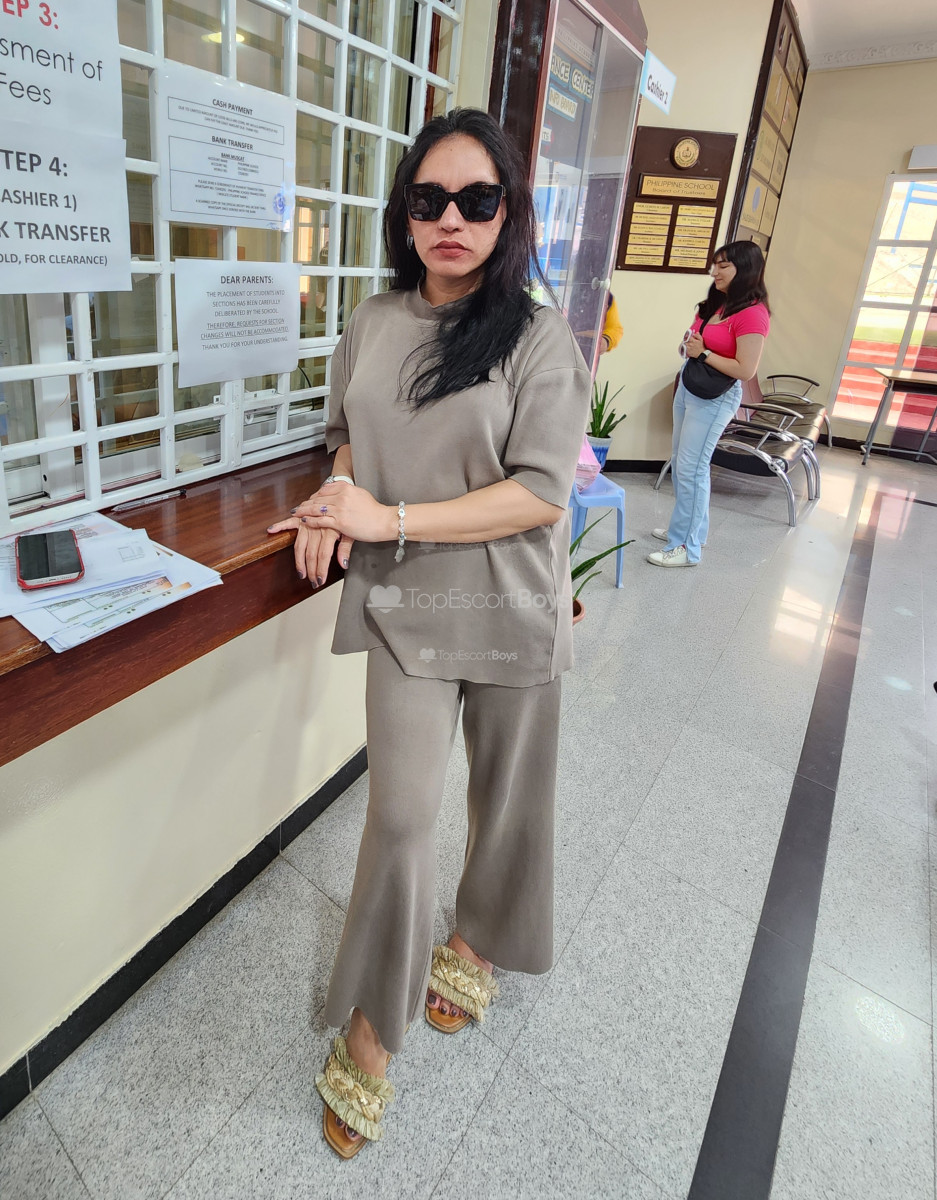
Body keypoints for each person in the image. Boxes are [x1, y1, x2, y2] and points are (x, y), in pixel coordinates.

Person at [267, 108, 590, 1159]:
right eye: (429, 199)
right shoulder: (372, 321)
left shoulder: (538, 338)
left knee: (507, 806)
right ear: (404, 214)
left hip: (507, 602)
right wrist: (338, 495)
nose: (451, 219)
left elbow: (540, 491)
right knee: (402, 817)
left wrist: (388, 520)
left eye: (476, 199)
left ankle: (477, 942)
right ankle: (372, 1030)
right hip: (406, 605)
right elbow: (347, 435)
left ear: (509, 211)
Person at [647, 240, 770, 568]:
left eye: (724, 265)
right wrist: (689, 347)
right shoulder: (716, 304)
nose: (715, 271)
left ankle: (685, 548)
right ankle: (688, 531)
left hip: (716, 398)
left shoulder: (753, 314)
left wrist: (703, 353)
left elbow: (745, 369)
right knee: (681, 463)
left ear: (745, 269)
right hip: (690, 387)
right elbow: (694, 343)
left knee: (693, 469)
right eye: (715, 265)